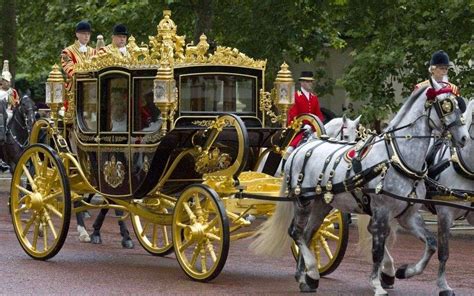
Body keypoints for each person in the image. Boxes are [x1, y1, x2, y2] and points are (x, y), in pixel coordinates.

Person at [284, 71, 324, 158]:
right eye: (307, 81)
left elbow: (318, 115)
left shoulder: (314, 98)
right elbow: (293, 115)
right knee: (290, 149)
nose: (310, 83)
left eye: (311, 81)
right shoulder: (295, 96)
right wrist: (303, 126)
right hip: (298, 130)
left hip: (312, 130)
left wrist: (317, 127)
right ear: (301, 82)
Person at [61, 20, 96, 109]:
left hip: (92, 89)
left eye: (88, 34)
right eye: (84, 33)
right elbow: (69, 69)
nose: (86, 36)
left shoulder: (93, 51)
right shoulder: (67, 51)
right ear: (77, 34)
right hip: (74, 89)